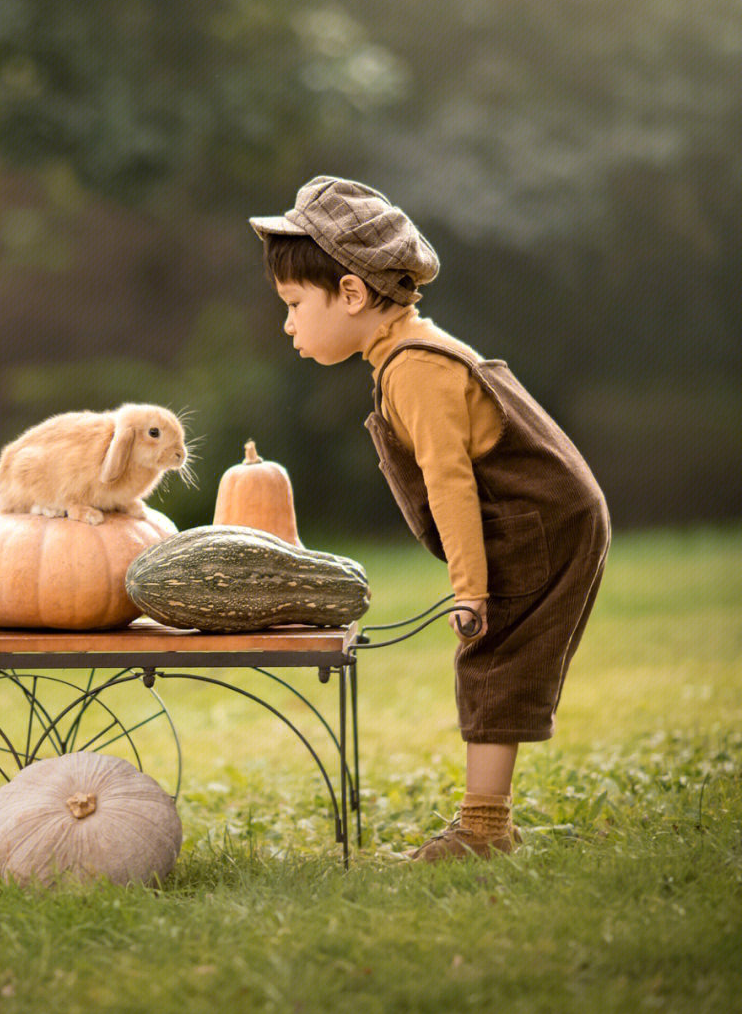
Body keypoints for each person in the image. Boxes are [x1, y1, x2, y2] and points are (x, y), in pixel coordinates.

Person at [249, 176, 610, 862]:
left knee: (494, 657)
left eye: (295, 304)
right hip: (545, 514)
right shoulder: (403, 351)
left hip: (536, 523)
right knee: (494, 660)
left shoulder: (415, 367)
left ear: (352, 294)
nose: (289, 322)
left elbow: (451, 483)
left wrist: (472, 589)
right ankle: (487, 823)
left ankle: (482, 828)